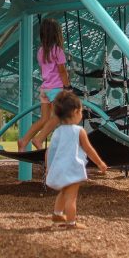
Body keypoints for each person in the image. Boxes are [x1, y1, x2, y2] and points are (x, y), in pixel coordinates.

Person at [45, 91, 107, 228]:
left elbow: (50, 151)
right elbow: (89, 149)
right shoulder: (79, 131)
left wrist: (49, 168)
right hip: (72, 168)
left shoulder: (57, 132)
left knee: (64, 191)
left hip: (59, 168)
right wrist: (100, 163)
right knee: (71, 197)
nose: (81, 114)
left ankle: (57, 214)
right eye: (81, 111)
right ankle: (71, 223)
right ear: (75, 112)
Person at [18, 18, 69, 151]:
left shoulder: (41, 51)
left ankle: (24, 140)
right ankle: (39, 139)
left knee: (44, 119)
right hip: (56, 88)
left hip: (45, 89)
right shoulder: (58, 50)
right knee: (58, 116)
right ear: (56, 34)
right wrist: (67, 87)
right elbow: (62, 71)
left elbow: (44, 70)